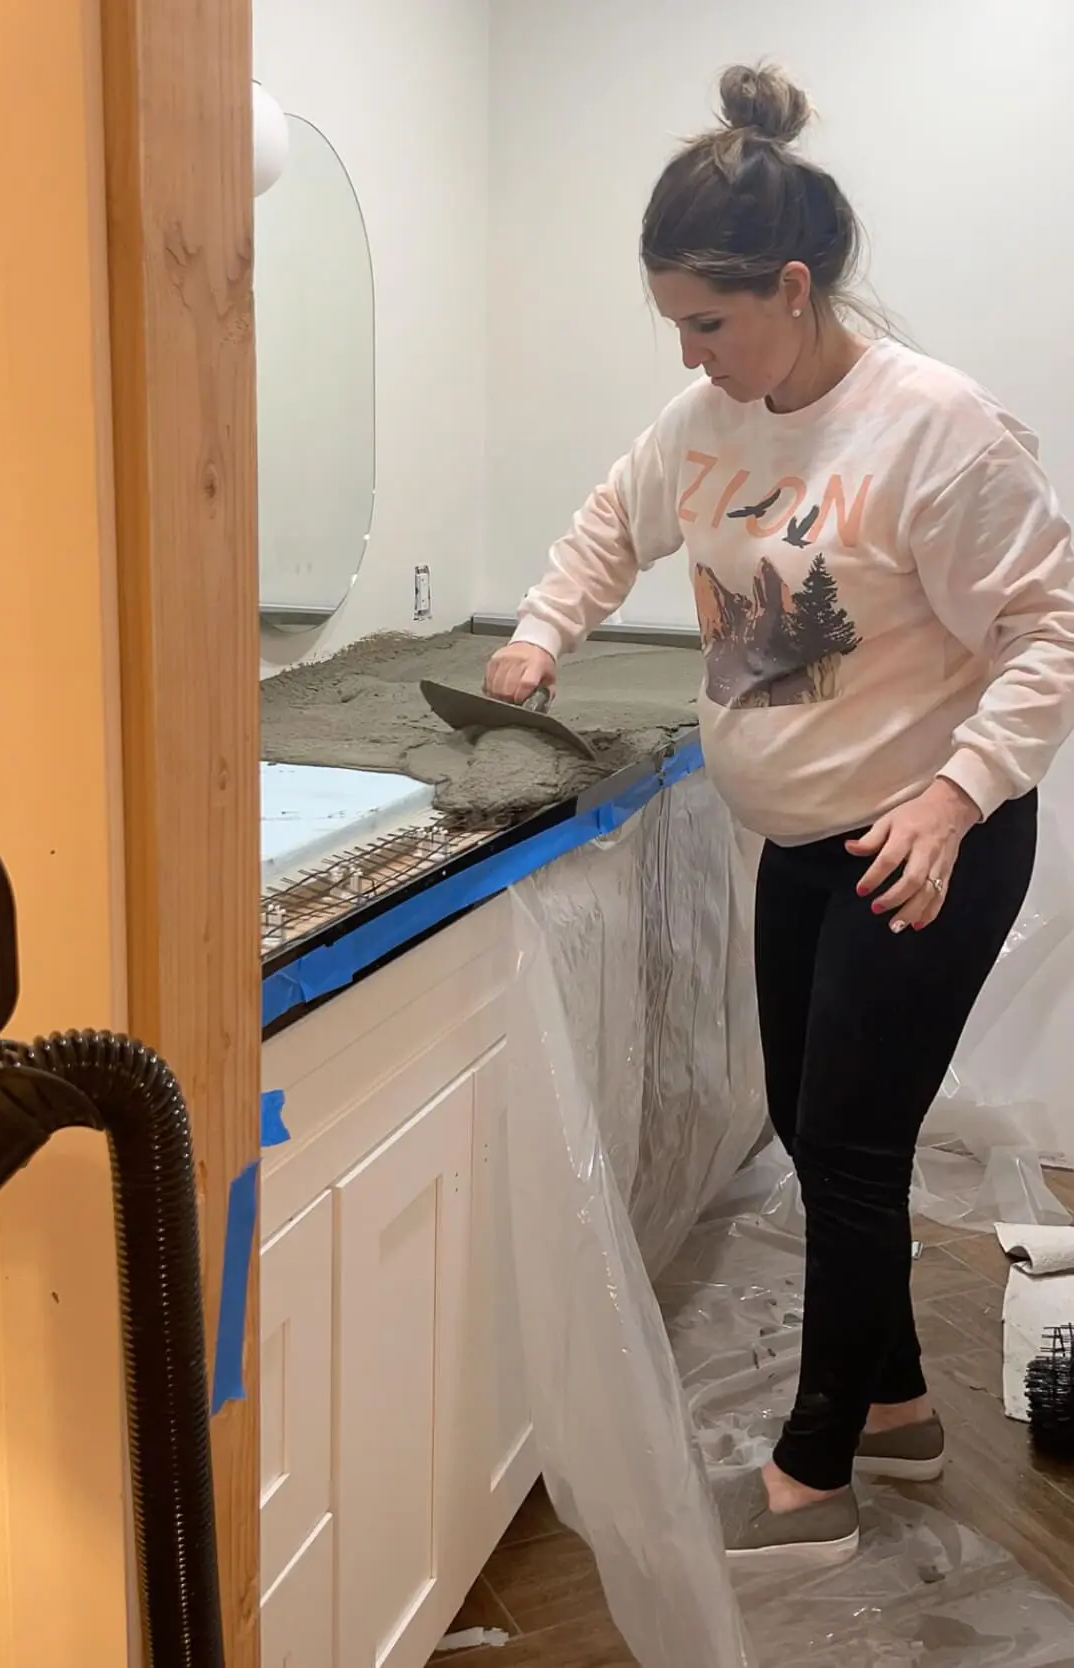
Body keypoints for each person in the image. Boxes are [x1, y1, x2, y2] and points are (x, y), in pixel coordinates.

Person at [485, 62, 1074, 1568]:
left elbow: (1051, 630)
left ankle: (814, 1475)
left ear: (794, 289)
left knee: (854, 1154)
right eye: (673, 322)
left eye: (709, 320)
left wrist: (956, 795)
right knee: (821, 1143)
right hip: (801, 841)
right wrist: (543, 631)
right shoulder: (704, 421)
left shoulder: (934, 431)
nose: (688, 352)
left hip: (918, 842)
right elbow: (610, 524)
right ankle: (897, 1408)